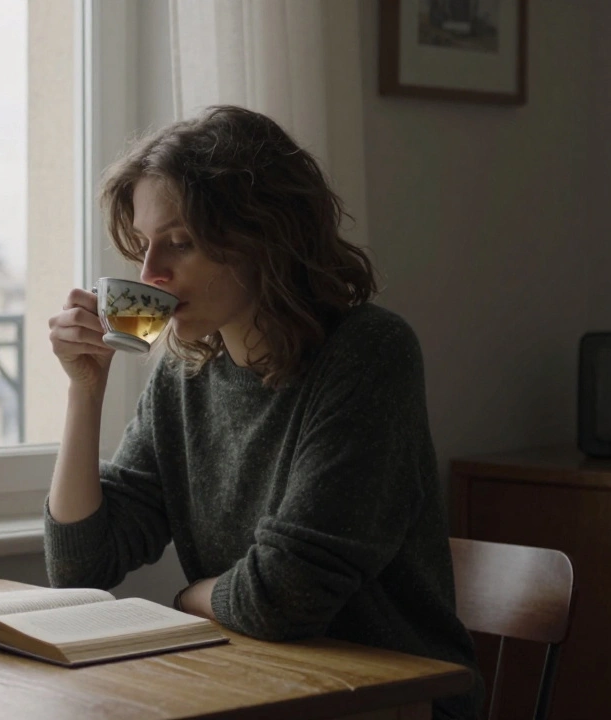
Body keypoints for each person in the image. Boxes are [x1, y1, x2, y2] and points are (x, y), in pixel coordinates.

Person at [44, 105, 482, 720]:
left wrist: (191, 596)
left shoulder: (369, 354)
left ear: (263, 237)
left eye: (181, 243)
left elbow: (286, 596)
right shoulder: (184, 372)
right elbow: (81, 563)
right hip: (255, 684)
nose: (151, 275)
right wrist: (83, 392)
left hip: (390, 699)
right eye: (143, 247)